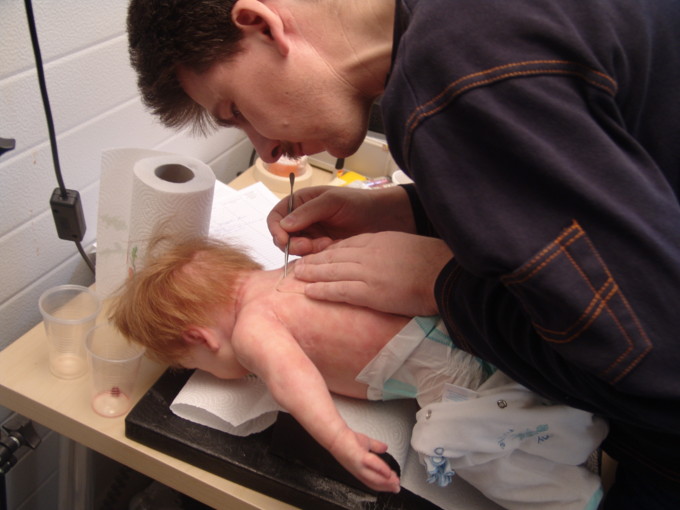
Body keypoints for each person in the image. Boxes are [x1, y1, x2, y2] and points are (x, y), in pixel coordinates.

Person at [126, 1, 680, 508]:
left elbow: (652, 366)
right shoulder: (472, 32)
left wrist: (440, 281)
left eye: (237, 110)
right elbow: (590, 191)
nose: (266, 150)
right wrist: (414, 209)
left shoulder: (457, 82)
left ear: (262, 25)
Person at [110, 236, 607, 510]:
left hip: (453, 372)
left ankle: (570, 498)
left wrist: (340, 440)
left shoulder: (251, 328)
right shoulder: (289, 271)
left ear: (201, 338)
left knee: (440, 445)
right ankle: (559, 420)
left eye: (192, 366)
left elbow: (292, 381)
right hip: (467, 327)